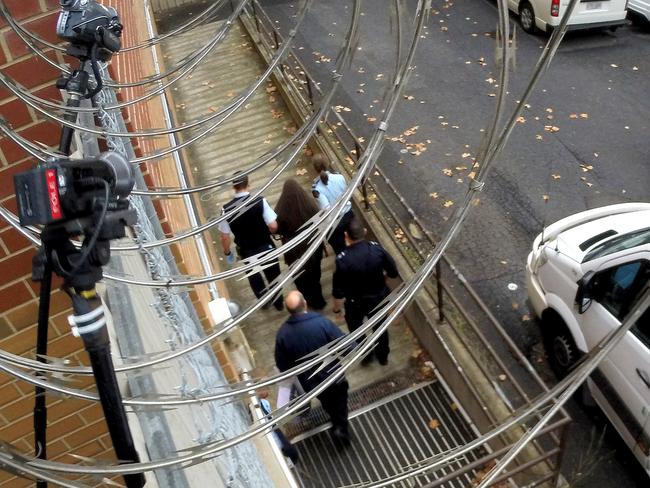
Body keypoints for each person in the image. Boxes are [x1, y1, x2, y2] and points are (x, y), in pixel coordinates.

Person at [275, 291, 351, 447]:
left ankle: (336, 419)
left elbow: (283, 365)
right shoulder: (322, 323)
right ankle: (340, 428)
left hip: (311, 383)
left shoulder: (283, 334)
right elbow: (345, 345)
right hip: (334, 376)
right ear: (305, 303)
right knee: (340, 404)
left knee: (328, 403)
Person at [332, 216, 398, 366]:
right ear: (365, 231)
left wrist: (337, 310)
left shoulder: (343, 260)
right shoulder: (377, 250)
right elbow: (393, 272)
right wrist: (383, 279)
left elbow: (338, 291)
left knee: (357, 331)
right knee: (380, 329)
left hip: (355, 304)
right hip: (378, 298)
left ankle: (367, 356)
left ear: (346, 237)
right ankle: (383, 357)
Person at [218, 173, 283, 310]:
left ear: (233, 187)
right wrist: (267, 233)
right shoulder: (259, 201)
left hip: (246, 251)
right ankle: (279, 303)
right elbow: (273, 226)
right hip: (266, 246)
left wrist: (227, 252)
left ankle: (264, 303)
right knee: (274, 276)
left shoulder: (226, 210)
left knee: (255, 278)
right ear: (249, 184)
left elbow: (224, 236)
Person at [275, 178, 326, 310]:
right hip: (312, 244)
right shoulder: (309, 204)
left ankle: (304, 300)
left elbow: (277, 228)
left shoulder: (280, 210)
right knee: (315, 273)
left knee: (299, 276)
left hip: (293, 249)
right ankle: (318, 300)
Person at [311, 153, 354, 254]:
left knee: (341, 251)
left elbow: (326, 209)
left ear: (315, 168)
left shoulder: (316, 189)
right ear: (328, 164)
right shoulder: (340, 177)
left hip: (335, 223)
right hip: (348, 215)